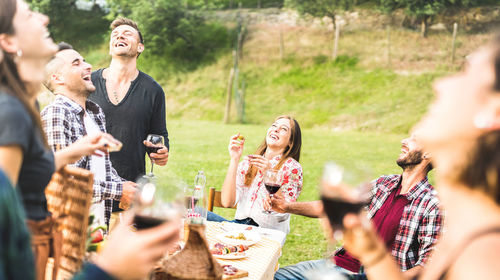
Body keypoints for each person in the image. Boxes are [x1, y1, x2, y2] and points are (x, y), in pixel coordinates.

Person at [0, 1, 180, 279]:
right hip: (51, 243)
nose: (45, 17)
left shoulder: (37, 108)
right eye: (30, 14)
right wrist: (108, 270)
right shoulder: (15, 111)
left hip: (96, 223)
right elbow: (19, 205)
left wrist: (73, 154)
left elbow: (31, 176)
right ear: (9, 41)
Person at [341, 36, 500, 280]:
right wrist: (371, 252)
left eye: (466, 76)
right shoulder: (468, 217)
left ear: (494, 113)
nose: (440, 84)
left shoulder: (485, 257)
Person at [272, 135, 443, 280]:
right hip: (337, 264)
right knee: (273, 276)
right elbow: (335, 207)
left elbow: (427, 266)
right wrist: (287, 206)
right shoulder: (385, 183)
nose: (404, 141)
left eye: (414, 139)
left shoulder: (432, 204)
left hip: (371, 274)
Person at [41, 43, 137, 227]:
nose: (88, 66)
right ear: (57, 77)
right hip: (69, 233)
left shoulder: (95, 113)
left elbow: (103, 169)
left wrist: (129, 188)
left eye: (84, 61)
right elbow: (62, 183)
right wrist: (118, 191)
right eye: (76, 63)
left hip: (98, 228)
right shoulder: (57, 113)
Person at [89, 17, 169, 212]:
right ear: (111, 48)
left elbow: (160, 135)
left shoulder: (153, 90)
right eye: (115, 35)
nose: (120, 35)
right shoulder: (88, 83)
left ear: (140, 47)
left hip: (131, 191)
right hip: (92, 189)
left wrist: (161, 152)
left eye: (128, 33)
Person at [208, 115, 303, 233]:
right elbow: (227, 202)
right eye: (274, 125)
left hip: (266, 232)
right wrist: (234, 159)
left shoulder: (293, 168)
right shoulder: (250, 162)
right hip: (239, 226)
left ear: (291, 142)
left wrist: (268, 174)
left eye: (283, 129)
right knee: (193, 212)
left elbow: (283, 211)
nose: (276, 129)